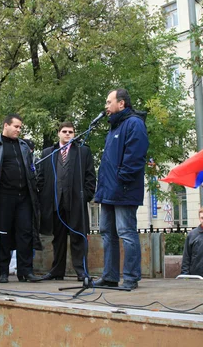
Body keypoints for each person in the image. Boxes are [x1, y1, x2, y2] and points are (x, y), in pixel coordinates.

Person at [93, 89, 149, 290]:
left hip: (123, 190)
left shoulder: (134, 123)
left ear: (122, 103)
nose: (106, 106)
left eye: (109, 102)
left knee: (126, 232)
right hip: (109, 191)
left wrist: (120, 181)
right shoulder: (114, 127)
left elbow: (135, 157)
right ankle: (110, 276)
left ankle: (131, 277)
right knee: (107, 232)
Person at [0, 114, 42, 283]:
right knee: (3, 233)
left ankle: (25, 271)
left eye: (20, 127)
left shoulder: (24, 147)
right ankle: (2, 271)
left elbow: (31, 168)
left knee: (25, 233)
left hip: (24, 196)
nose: (19, 130)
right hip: (3, 196)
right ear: (6, 125)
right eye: (16, 126)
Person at [37, 121, 96, 282]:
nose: (68, 134)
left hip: (76, 202)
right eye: (64, 131)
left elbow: (90, 177)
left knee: (78, 237)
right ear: (59, 133)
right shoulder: (48, 153)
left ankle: (81, 271)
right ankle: (57, 271)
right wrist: (44, 198)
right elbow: (41, 179)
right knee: (58, 239)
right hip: (56, 202)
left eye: (71, 131)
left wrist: (86, 196)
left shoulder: (82, 152)